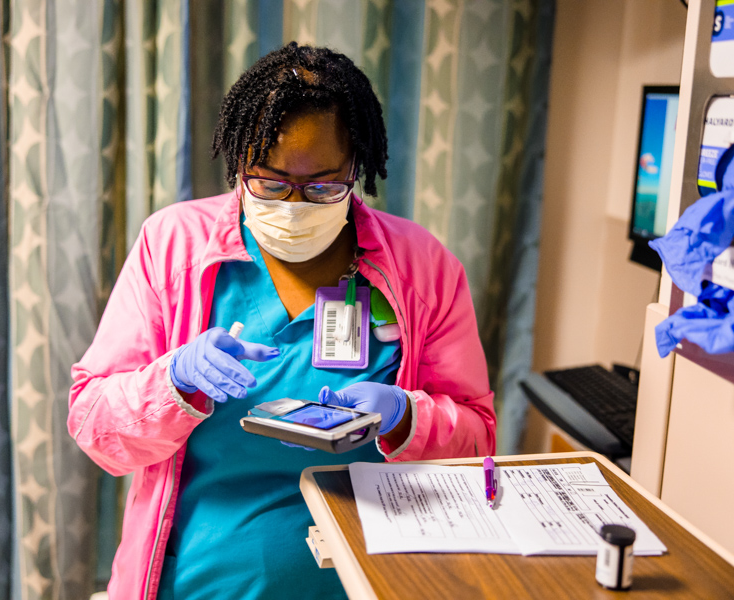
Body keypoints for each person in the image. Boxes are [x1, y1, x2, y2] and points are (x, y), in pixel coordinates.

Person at [68, 42, 496, 600]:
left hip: (371, 579)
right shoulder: (171, 248)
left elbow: (478, 440)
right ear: (238, 165)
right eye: (269, 182)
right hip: (199, 581)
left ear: (356, 169)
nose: (294, 205)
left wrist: (404, 418)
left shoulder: (422, 267)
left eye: (322, 185)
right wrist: (171, 382)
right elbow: (95, 427)